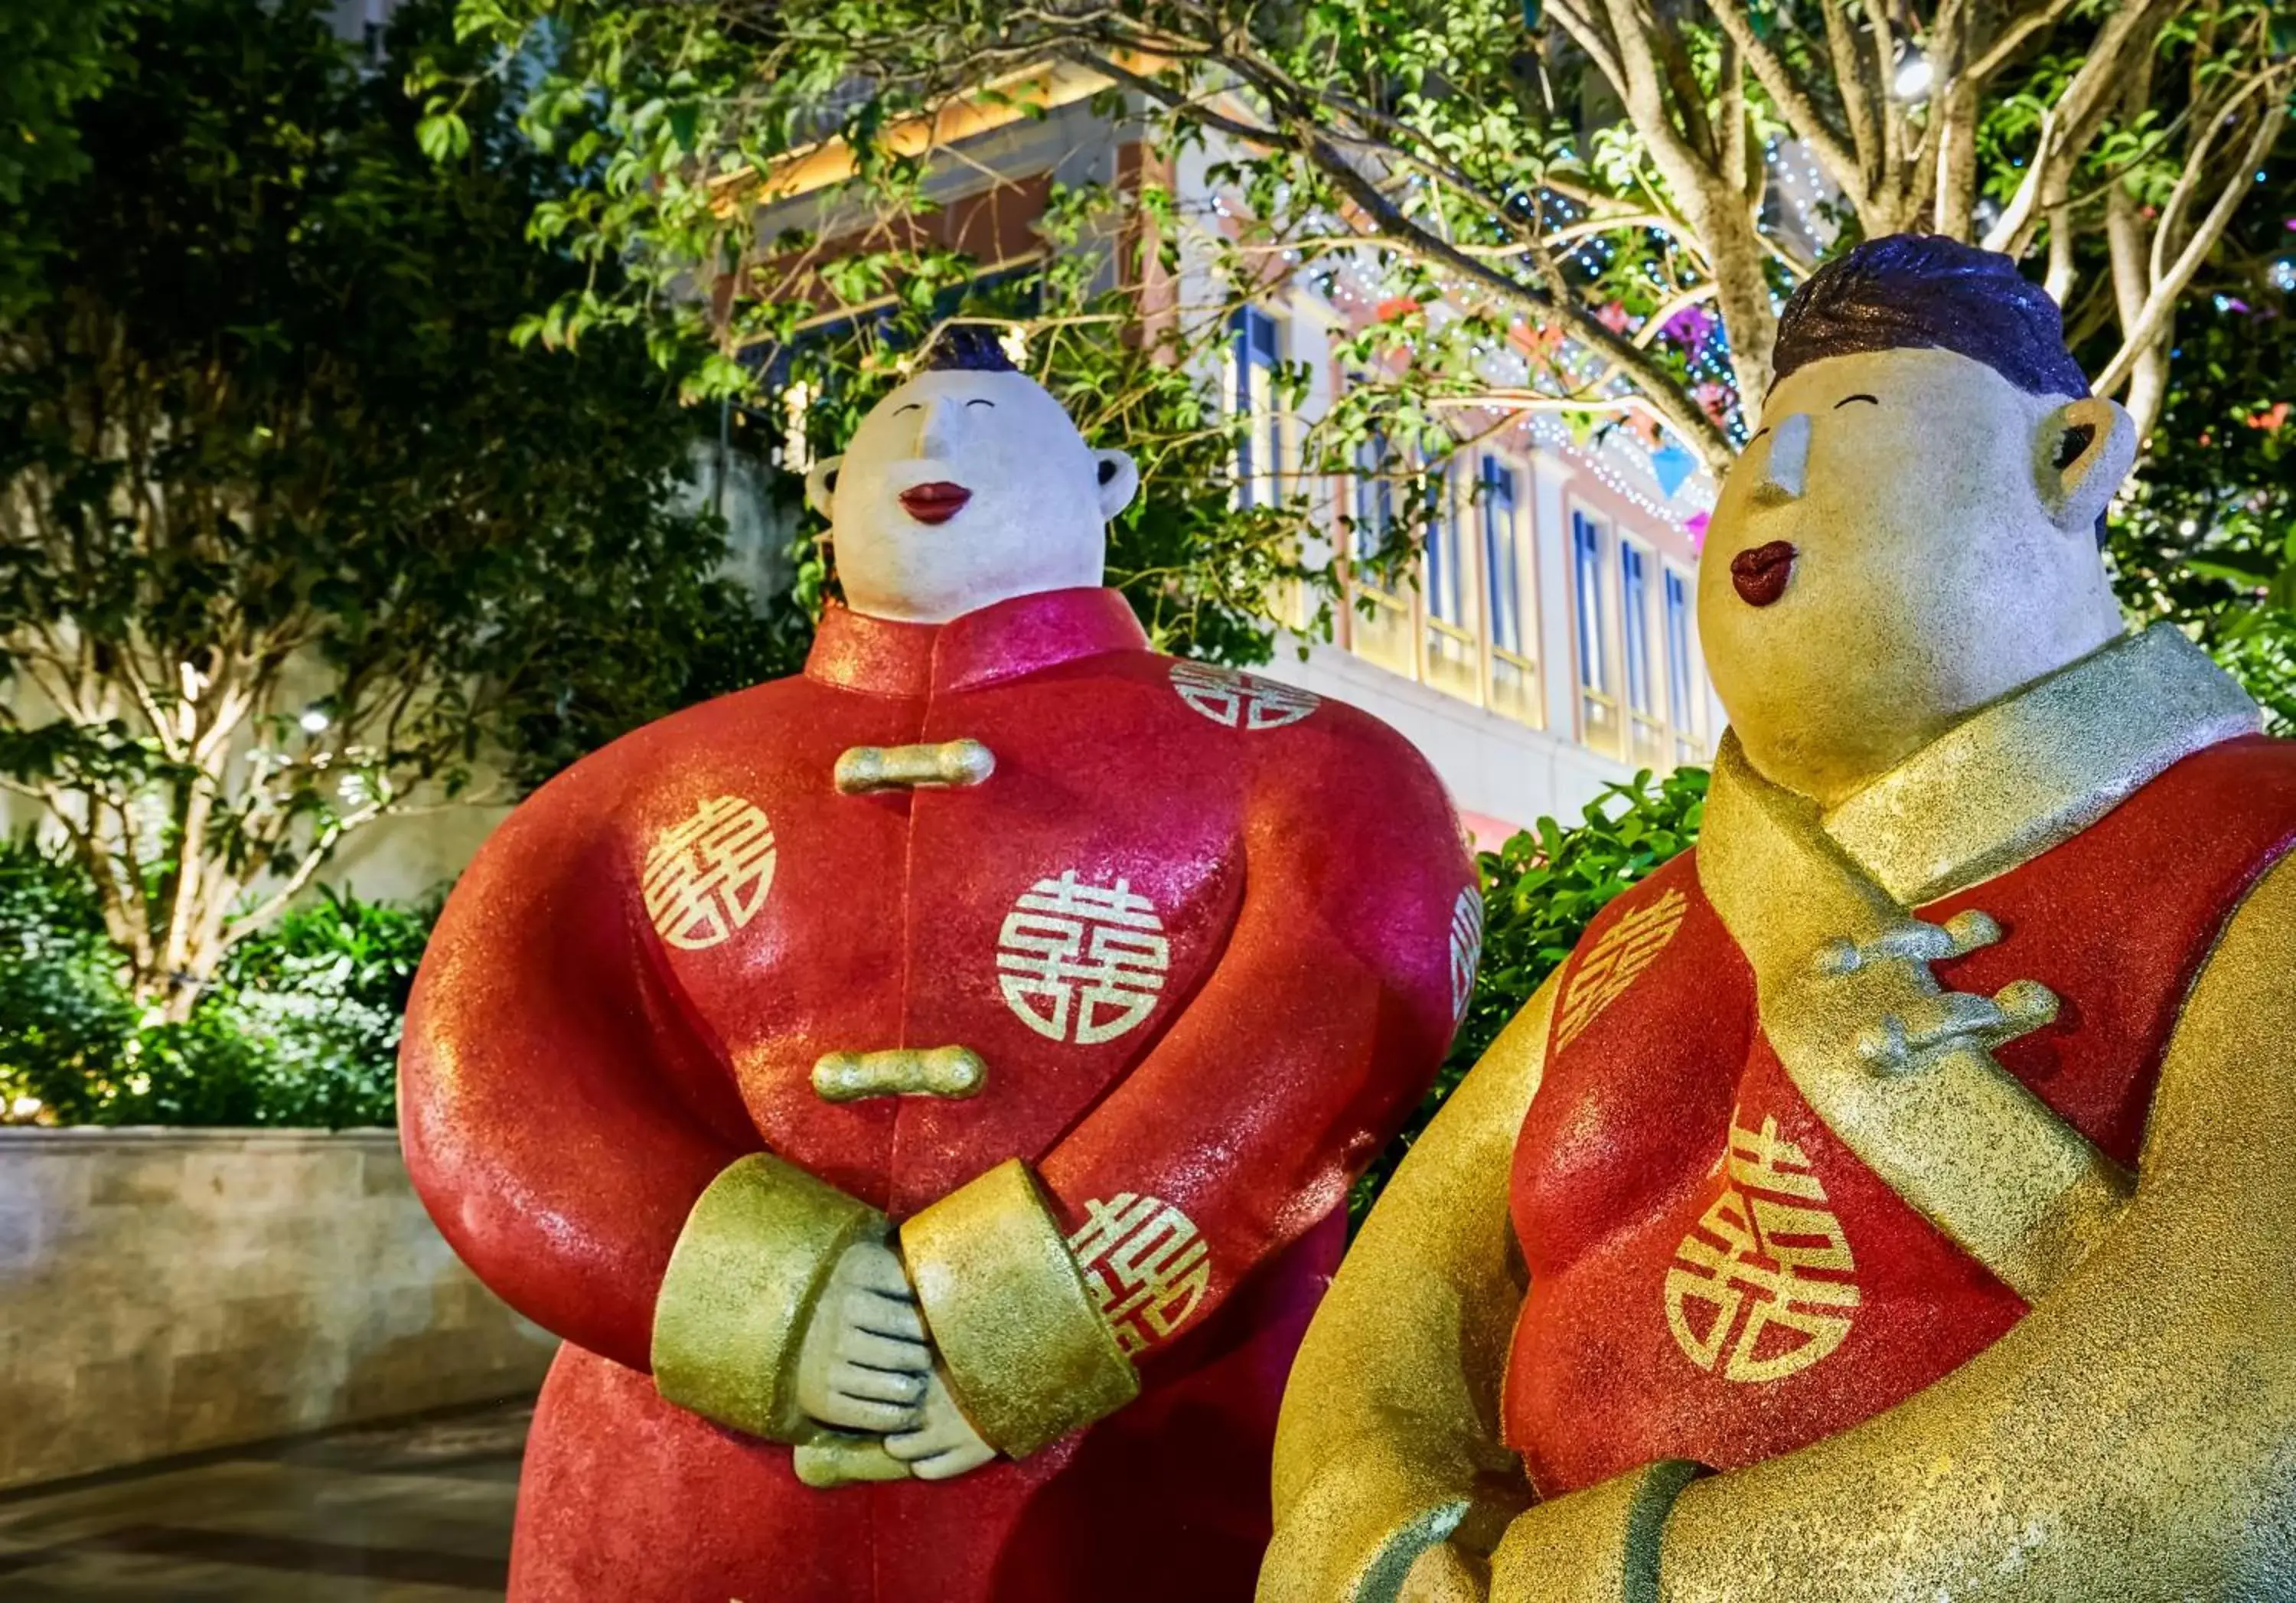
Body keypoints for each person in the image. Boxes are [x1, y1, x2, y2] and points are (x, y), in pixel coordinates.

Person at [1260, 234, 2296, 1603]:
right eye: (1769, 436)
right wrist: (1376, 1537)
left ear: (2070, 457)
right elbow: (1399, 1313)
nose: (1779, 479)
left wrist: (1617, 1581)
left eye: (1852, 425)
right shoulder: (1648, 925)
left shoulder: (2252, 850)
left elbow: (2228, 1443)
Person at [400, 325, 1477, 1602]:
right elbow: (484, 1070)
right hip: (681, 1494)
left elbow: (1355, 992)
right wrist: (733, 1286)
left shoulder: (1312, 762)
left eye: (983, 420)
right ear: (828, 495)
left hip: (1155, 1458)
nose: (934, 443)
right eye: (900, 423)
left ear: (1106, 486)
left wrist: (1039, 1302)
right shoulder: (626, 792)